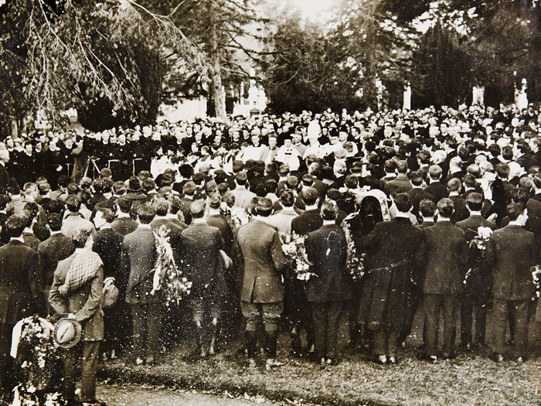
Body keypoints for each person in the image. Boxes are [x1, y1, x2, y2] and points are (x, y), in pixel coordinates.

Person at [358, 194, 425, 363]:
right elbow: (418, 259)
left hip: (381, 275)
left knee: (378, 311)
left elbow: (366, 244)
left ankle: (380, 353)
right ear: (410, 209)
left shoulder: (382, 227)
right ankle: (392, 353)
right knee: (396, 312)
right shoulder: (417, 232)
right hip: (402, 277)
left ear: (394, 207)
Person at [48, 227, 104, 406]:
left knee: (69, 359)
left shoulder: (62, 264)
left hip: (68, 324)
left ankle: (68, 396)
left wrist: (67, 316)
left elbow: (53, 296)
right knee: (89, 360)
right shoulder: (95, 262)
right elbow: (96, 297)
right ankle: (87, 399)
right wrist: (79, 317)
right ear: (88, 242)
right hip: (90, 321)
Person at [237, 197, 288, 368]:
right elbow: (279, 264)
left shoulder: (241, 230)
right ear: (272, 212)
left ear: (254, 211)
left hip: (248, 282)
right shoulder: (272, 233)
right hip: (269, 284)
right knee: (271, 319)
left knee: (251, 320)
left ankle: (251, 358)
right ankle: (270, 359)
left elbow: (238, 259)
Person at [486, 203, 538, 362]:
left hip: (501, 281)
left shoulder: (496, 234)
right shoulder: (529, 236)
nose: (527, 217)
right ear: (521, 215)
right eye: (526, 214)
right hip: (522, 282)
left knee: (499, 318)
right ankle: (520, 353)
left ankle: (498, 352)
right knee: (521, 319)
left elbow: (490, 260)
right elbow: (534, 259)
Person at [0, 215, 44, 398]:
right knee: (20, 346)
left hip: (2, 304)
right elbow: (35, 286)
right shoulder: (30, 254)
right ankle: (18, 386)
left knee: (3, 345)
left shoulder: (0, 251)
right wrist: (41, 309)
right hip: (22, 305)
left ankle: (4, 386)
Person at [305, 201, 352, 366]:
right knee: (334, 319)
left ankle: (320, 354)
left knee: (319, 318)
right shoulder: (343, 234)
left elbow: (310, 261)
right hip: (338, 282)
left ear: (321, 214)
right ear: (337, 215)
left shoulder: (312, 236)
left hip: (319, 282)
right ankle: (330, 353)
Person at [421, 198, 468, 361]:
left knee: (431, 316)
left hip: (432, 279)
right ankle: (448, 350)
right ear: (453, 211)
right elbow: (464, 260)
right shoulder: (459, 232)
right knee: (450, 317)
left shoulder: (428, 232)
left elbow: (420, 258)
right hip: (453, 281)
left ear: (436, 212)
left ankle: (431, 351)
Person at [181, 200, 226, 358]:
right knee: (215, 308)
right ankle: (212, 345)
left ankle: (201, 347)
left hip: (194, 277)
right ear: (204, 211)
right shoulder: (214, 231)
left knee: (197, 309)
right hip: (214, 274)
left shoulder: (185, 233)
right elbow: (220, 246)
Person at [121, 203, 161, 365]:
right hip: (152, 283)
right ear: (153, 218)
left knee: (137, 320)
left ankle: (138, 354)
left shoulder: (128, 238)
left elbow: (124, 266)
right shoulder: (157, 237)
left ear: (137, 217)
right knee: (153, 319)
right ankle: (151, 354)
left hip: (134, 282)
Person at [456, 193, 496, 350]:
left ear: (467, 206)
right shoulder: (491, 226)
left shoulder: (460, 225)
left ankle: (465, 340)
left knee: (465, 306)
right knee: (481, 306)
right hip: (484, 272)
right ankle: (479, 339)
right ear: (482, 206)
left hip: (466, 271)